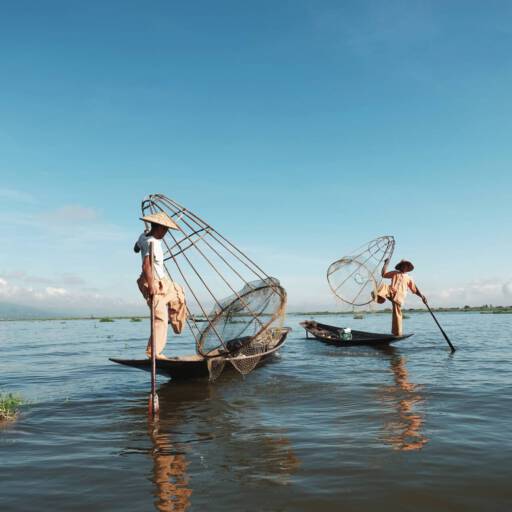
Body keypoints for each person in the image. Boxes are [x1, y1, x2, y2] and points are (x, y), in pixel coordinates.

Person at [134, 212, 187, 358]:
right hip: (152, 281)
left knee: (178, 293)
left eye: (166, 230)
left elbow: (136, 247)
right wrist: (151, 286)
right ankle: (154, 353)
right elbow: (146, 266)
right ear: (157, 228)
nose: (165, 233)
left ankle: (176, 323)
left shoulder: (144, 236)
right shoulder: (152, 242)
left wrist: (140, 246)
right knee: (160, 318)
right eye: (163, 230)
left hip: (163, 280)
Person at [372, 259, 426, 336]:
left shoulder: (408, 277)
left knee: (397, 314)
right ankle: (380, 298)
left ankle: (397, 333)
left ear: (407, 268)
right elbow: (383, 274)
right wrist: (386, 264)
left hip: (399, 297)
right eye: (402, 266)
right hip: (391, 291)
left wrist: (422, 296)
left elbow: (415, 289)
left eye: (405, 266)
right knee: (382, 286)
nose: (404, 267)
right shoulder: (395, 273)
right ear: (400, 267)